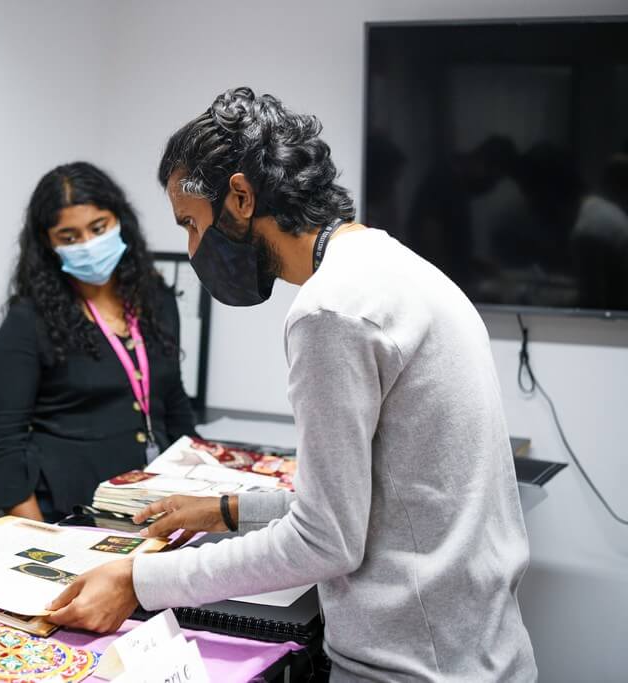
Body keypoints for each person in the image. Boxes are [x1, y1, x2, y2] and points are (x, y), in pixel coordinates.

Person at [47, 88, 537, 682]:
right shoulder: (395, 268)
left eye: (192, 225)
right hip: (481, 652)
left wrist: (138, 580)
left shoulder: (330, 312)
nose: (193, 249)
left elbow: (326, 541)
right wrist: (230, 510)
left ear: (242, 196)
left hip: (413, 665)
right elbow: (386, 501)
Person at [0, 162, 196, 522]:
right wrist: (38, 538)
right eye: (69, 237)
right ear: (48, 244)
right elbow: (5, 443)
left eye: (98, 228)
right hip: (69, 511)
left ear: (119, 220)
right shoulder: (28, 320)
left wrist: (204, 484)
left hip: (152, 500)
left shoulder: (156, 298)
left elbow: (173, 402)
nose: (88, 245)